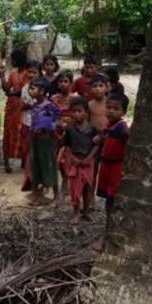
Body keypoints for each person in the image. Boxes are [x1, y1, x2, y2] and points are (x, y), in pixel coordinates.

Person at [60, 97, 99, 228]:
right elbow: (67, 146)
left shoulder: (92, 129)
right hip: (75, 163)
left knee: (88, 188)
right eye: (74, 111)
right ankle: (76, 212)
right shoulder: (70, 129)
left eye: (79, 111)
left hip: (88, 162)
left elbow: (96, 145)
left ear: (86, 112)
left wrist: (89, 158)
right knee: (75, 190)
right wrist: (73, 158)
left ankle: (86, 212)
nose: (77, 114)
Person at [97, 93, 129, 230]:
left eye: (115, 109)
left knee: (112, 199)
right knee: (108, 199)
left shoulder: (122, 128)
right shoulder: (109, 126)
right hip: (106, 165)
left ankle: (111, 229)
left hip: (116, 167)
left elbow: (129, 140)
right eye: (108, 107)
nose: (111, 111)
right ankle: (109, 227)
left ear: (124, 112)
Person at [29, 77, 60, 204]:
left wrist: (45, 129)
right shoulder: (34, 106)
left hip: (47, 141)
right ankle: (36, 195)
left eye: (32, 88)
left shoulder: (50, 106)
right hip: (35, 140)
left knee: (50, 165)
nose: (30, 91)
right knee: (35, 166)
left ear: (41, 91)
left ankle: (56, 194)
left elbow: (56, 120)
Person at [2, 49, 29, 173]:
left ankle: (24, 159)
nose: (11, 61)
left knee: (21, 132)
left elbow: (23, 90)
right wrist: (1, 76)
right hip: (11, 107)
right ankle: (7, 161)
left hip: (21, 106)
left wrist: (11, 93)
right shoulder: (13, 74)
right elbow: (7, 88)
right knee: (8, 132)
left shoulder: (28, 74)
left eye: (13, 59)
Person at [19, 61, 41, 190]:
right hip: (27, 122)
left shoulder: (43, 87)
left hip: (39, 125)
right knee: (28, 151)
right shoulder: (25, 88)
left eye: (35, 72)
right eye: (30, 72)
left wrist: (31, 105)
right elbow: (23, 105)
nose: (32, 74)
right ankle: (29, 178)